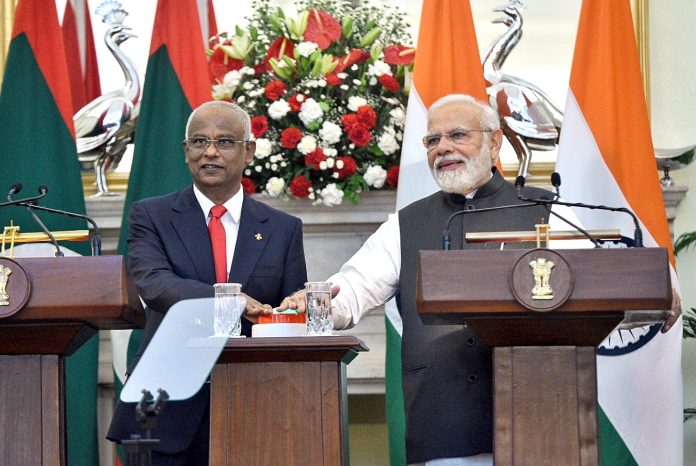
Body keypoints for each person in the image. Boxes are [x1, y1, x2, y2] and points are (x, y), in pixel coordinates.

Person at [282, 93, 680, 465]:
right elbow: (351, 290)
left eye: (457, 134)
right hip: (444, 422)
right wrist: (313, 303)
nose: (443, 147)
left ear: (494, 145)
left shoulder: (547, 210)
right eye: (433, 139)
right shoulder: (406, 223)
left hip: (541, 419)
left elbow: (603, 281)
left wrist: (656, 289)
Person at [107, 101, 307, 465]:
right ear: (187, 152)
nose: (210, 152)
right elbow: (154, 285)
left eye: (225, 142)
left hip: (256, 408)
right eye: (199, 141)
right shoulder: (151, 215)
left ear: (249, 151)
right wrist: (229, 300)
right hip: (163, 410)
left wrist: (300, 305)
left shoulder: (283, 229)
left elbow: (290, 321)